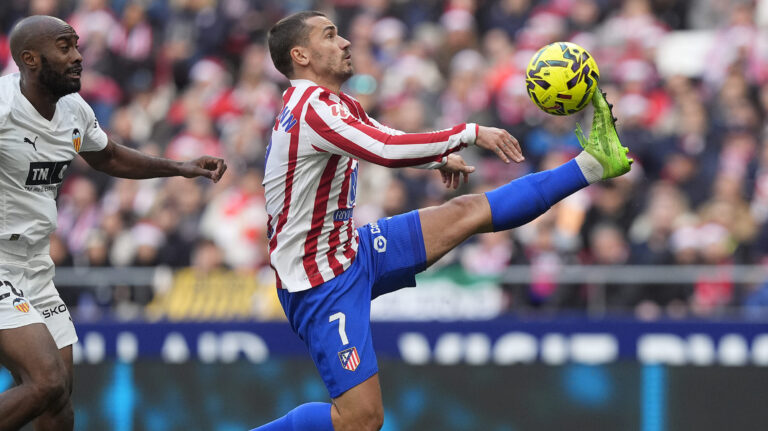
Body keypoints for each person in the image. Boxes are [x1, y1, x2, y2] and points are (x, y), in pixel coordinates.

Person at [254, 11, 630, 431]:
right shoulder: (310, 109)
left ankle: (594, 164)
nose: (344, 42)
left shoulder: (330, 104)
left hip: (351, 251)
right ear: (301, 55)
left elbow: (378, 137)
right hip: (319, 284)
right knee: (360, 421)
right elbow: (382, 148)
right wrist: (468, 132)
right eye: (330, 35)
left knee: (465, 212)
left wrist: (436, 157)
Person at [0, 15, 227, 430]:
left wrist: (179, 167)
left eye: (76, 46)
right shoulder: (3, 108)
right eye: (65, 47)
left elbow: (109, 156)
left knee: (59, 402)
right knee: (46, 382)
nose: (78, 57)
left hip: (33, 265)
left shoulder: (73, 110)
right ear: (30, 59)